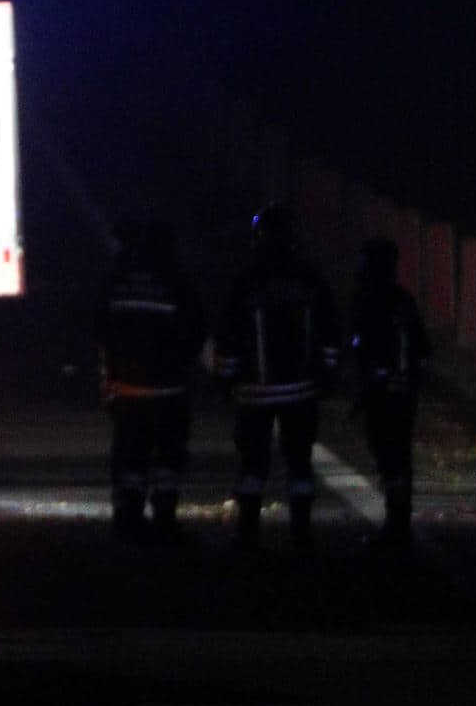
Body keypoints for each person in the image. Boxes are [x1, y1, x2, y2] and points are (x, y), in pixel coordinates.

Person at [212, 204, 343, 547]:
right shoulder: (309, 279)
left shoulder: (245, 280)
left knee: (253, 463)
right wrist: (327, 376)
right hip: (300, 390)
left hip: (254, 391)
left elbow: (227, 334)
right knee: (300, 462)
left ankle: (248, 530)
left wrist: (225, 379)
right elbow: (330, 333)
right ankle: (301, 530)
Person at [96, 219, 204, 540]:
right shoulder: (177, 281)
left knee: (130, 452)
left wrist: (113, 374)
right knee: (168, 454)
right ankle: (164, 515)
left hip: (128, 386)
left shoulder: (119, 280)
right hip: (169, 387)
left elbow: (100, 327)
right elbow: (196, 329)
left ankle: (128, 514)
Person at [349, 235, 432, 548]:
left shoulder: (368, 301)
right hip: (405, 392)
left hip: (381, 393)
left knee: (387, 456)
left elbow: (363, 349)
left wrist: (368, 384)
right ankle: (400, 520)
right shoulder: (404, 300)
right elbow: (423, 349)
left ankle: (396, 524)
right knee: (400, 455)